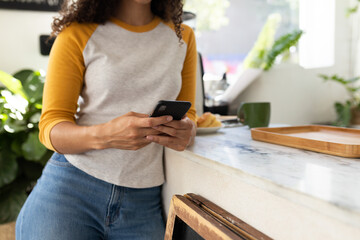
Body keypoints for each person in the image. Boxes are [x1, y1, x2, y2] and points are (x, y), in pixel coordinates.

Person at [15, 0, 197, 239]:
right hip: (71, 192)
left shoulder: (182, 36)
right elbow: (51, 128)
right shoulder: (76, 33)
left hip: (144, 199)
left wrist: (187, 130)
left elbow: (190, 115)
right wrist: (107, 135)